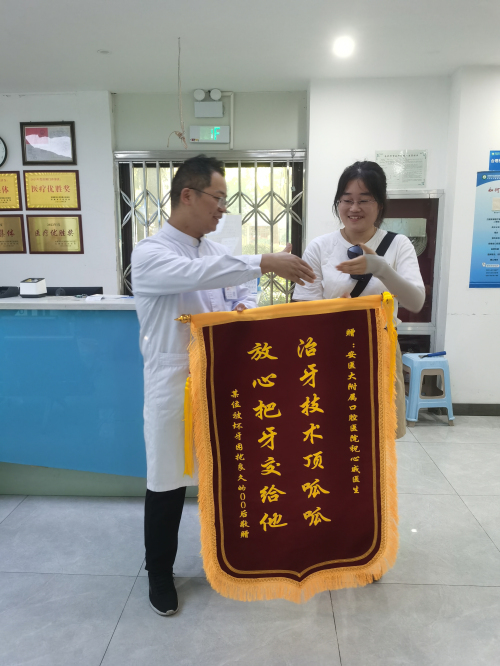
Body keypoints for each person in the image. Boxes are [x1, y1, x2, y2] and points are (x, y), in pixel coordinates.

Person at [131, 155, 316, 616]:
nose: (222, 209)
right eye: (217, 198)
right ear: (187, 195)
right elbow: (197, 276)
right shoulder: (151, 252)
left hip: (222, 380)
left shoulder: (214, 250)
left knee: (228, 473)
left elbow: (240, 291)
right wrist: (263, 261)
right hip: (173, 383)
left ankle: (232, 557)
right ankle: (159, 572)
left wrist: (242, 307)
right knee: (168, 479)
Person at [293, 160, 425, 438]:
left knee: (378, 438)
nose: (354, 208)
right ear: (338, 202)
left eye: (364, 200)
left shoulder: (398, 244)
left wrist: (381, 268)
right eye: (347, 200)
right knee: (331, 434)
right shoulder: (320, 247)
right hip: (329, 353)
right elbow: (303, 310)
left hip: (380, 352)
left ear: (380, 204)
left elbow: (415, 302)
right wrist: (334, 310)